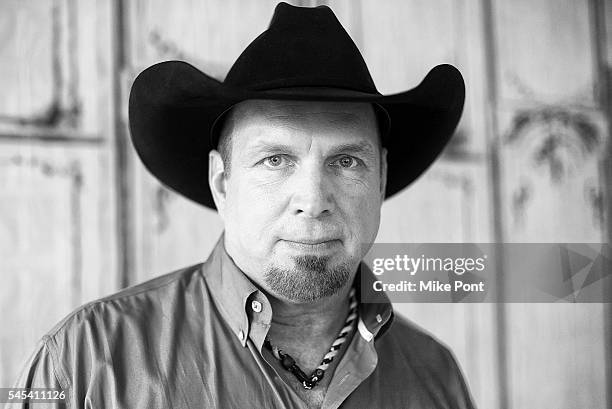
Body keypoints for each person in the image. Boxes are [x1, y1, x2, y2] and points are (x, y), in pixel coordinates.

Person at [11, 3, 473, 408]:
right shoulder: (84, 364)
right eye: (275, 159)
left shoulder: (436, 377)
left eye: (346, 160)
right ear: (221, 181)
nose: (312, 202)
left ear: (381, 179)